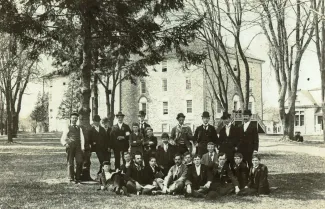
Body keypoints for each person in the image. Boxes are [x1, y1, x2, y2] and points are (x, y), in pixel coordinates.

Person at [60, 112, 85, 184]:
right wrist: (65, 144)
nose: (74, 119)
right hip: (70, 147)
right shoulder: (67, 127)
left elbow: (82, 138)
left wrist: (82, 147)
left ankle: (78, 178)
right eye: (73, 118)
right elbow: (63, 138)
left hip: (78, 147)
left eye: (76, 118)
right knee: (70, 162)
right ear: (71, 119)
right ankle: (71, 178)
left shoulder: (79, 128)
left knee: (79, 161)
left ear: (77, 119)